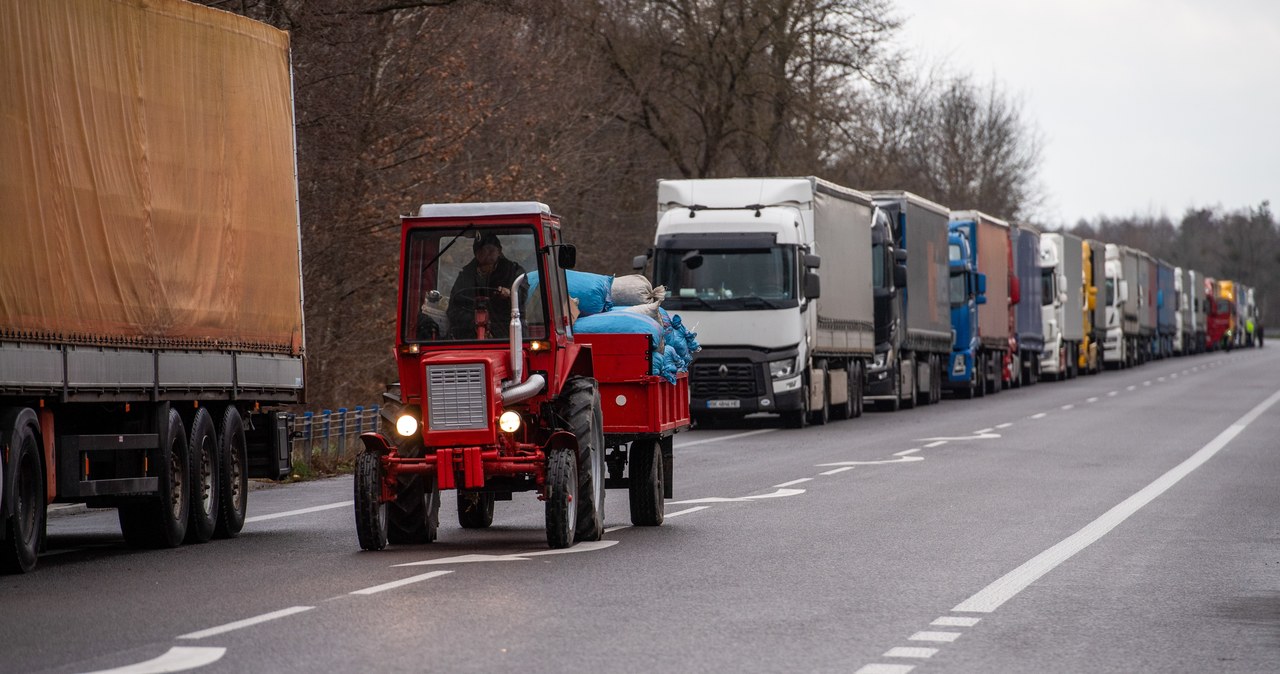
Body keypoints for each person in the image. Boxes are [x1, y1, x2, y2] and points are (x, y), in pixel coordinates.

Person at [447, 233, 526, 338]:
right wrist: (473, 319)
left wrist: (510, 294)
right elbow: (453, 309)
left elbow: (522, 294)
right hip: (469, 338)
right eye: (483, 250)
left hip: (508, 335)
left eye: (491, 250)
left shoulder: (513, 271)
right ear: (476, 254)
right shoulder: (465, 275)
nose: (487, 254)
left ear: (499, 251)